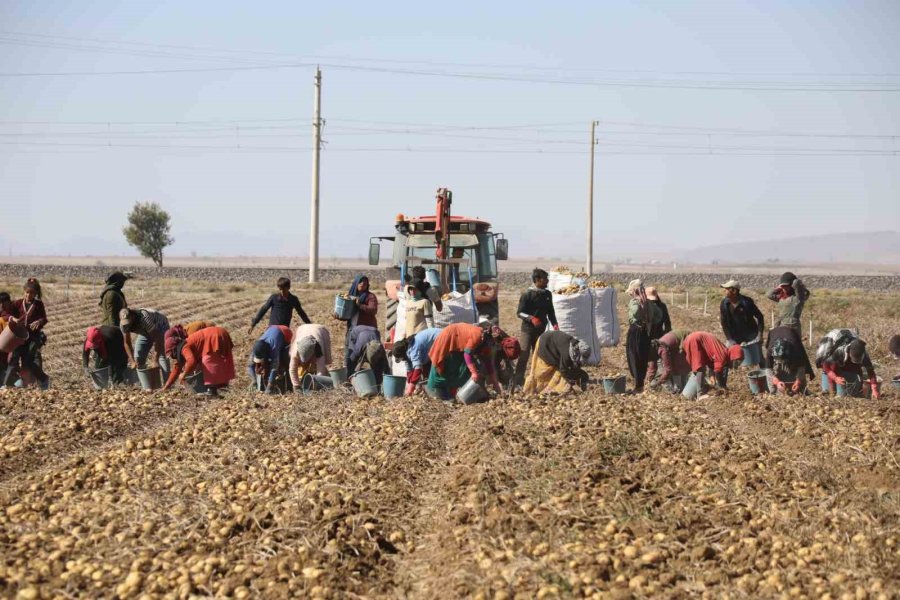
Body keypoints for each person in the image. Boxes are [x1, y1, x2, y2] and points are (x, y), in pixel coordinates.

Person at [427, 322, 502, 398]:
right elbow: (467, 354)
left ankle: (452, 394)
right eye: (493, 342)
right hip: (450, 338)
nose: (493, 345)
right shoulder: (478, 335)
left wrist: (495, 383)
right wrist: (474, 372)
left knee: (461, 371)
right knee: (445, 369)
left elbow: (488, 362)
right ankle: (436, 393)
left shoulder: (486, 343)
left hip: (459, 345)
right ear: (489, 337)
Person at [514, 269, 559, 387]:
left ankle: (537, 381)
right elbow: (520, 313)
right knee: (524, 354)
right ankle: (518, 381)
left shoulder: (547, 294)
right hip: (528, 330)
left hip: (541, 330)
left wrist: (555, 324)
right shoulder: (527, 295)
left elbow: (551, 312)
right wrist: (532, 318)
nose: (547, 281)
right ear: (537, 280)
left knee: (539, 355)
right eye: (545, 279)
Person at [161, 326, 235, 396]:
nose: (172, 356)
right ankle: (222, 385)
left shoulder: (184, 347)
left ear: (174, 349)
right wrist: (166, 386)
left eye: (171, 354)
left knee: (208, 361)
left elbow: (191, 362)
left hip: (215, 336)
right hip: (220, 333)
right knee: (218, 361)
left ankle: (212, 389)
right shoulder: (182, 347)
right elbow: (177, 368)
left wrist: (184, 374)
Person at [4, 279, 50, 390]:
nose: (29, 295)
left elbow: (44, 319)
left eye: (32, 293)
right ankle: (7, 384)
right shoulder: (17, 303)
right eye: (27, 292)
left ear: (36, 293)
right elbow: (5, 313)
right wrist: (12, 318)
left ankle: (43, 379)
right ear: (24, 291)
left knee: (28, 362)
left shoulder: (38, 305)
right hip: (18, 336)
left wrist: (39, 321)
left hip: (33, 338)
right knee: (13, 359)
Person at [522, 330, 590, 396]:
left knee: (562, 370)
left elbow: (575, 365)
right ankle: (531, 391)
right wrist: (572, 382)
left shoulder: (575, 345)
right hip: (545, 345)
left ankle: (548, 389)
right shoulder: (567, 353)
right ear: (577, 351)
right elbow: (563, 371)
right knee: (542, 373)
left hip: (551, 341)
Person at [815, 329, 880, 398]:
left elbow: (871, 372)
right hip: (834, 338)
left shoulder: (864, 355)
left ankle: (858, 390)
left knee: (855, 369)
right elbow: (826, 366)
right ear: (849, 352)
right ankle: (832, 391)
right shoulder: (839, 351)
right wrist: (835, 378)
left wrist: (874, 389)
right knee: (832, 366)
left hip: (850, 337)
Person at [625, 279, 662, 393]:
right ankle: (640, 384)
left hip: (636, 331)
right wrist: (650, 322)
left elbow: (635, 313)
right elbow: (659, 316)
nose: (630, 294)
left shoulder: (634, 302)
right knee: (642, 357)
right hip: (646, 332)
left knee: (634, 357)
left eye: (632, 291)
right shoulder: (650, 303)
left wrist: (639, 303)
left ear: (635, 291)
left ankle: (638, 385)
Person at [719, 280, 765, 368]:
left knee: (759, 359)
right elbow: (723, 323)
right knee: (725, 358)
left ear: (734, 291)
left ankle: (765, 378)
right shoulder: (724, 304)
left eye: (726, 289)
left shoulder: (747, 302)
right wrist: (729, 339)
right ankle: (725, 379)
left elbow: (760, 317)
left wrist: (759, 335)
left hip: (751, 334)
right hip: (734, 336)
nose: (724, 291)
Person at [120, 308, 171, 377]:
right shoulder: (123, 324)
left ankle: (167, 384)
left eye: (128, 322)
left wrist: (155, 360)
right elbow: (127, 342)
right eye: (125, 323)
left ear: (132, 316)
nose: (127, 324)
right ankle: (147, 385)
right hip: (145, 331)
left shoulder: (144, 318)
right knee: (138, 358)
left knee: (162, 355)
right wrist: (132, 361)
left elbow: (158, 338)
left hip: (160, 326)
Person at [391, 327, 442, 395]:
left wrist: (411, 388)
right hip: (431, 347)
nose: (403, 360)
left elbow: (418, 368)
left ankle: (441, 392)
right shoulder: (407, 349)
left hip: (441, 338)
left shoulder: (414, 348)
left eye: (402, 358)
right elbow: (409, 368)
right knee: (425, 367)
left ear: (403, 353)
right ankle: (426, 389)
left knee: (437, 368)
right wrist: (409, 382)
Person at [766, 325, 815, 394]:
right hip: (774, 333)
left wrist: (798, 381)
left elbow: (801, 366)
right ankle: (773, 393)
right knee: (775, 373)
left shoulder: (796, 349)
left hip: (791, 333)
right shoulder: (770, 351)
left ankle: (803, 390)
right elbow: (768, 369)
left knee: (797, 369)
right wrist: (776, 382)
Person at [344, 275, 378, 371]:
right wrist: (338, 315)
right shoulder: (350, 296)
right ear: (355, 284)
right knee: (349, 355)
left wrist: (360, 305)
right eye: (360, 282)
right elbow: (346, 313)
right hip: (352, 329)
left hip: (365, 331)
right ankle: (349, 376)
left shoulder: (370, 297)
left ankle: (373, 378)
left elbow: (373, 310)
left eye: (365, 283)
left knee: (368, 355)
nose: (363, 284)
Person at [248, 325, 294, 394]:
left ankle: (288, 384)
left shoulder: (274, 348)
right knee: (265, 364)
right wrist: (254, 380)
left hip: (285, 333)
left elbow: (274, 368)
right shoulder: (256, 349)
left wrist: (270, 386)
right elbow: (250, 366)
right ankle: (265, 383)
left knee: (284, 359)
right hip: (272, 329)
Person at [288, 323, 332, 390]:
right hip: (302, 329)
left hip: (320, 330)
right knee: (297, 364)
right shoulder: (295, 350)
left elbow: (320, 371)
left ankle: (329, 379)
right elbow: (292, 369)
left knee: (322, 362)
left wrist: (317, 384)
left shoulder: (319, 348)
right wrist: (296, 386)